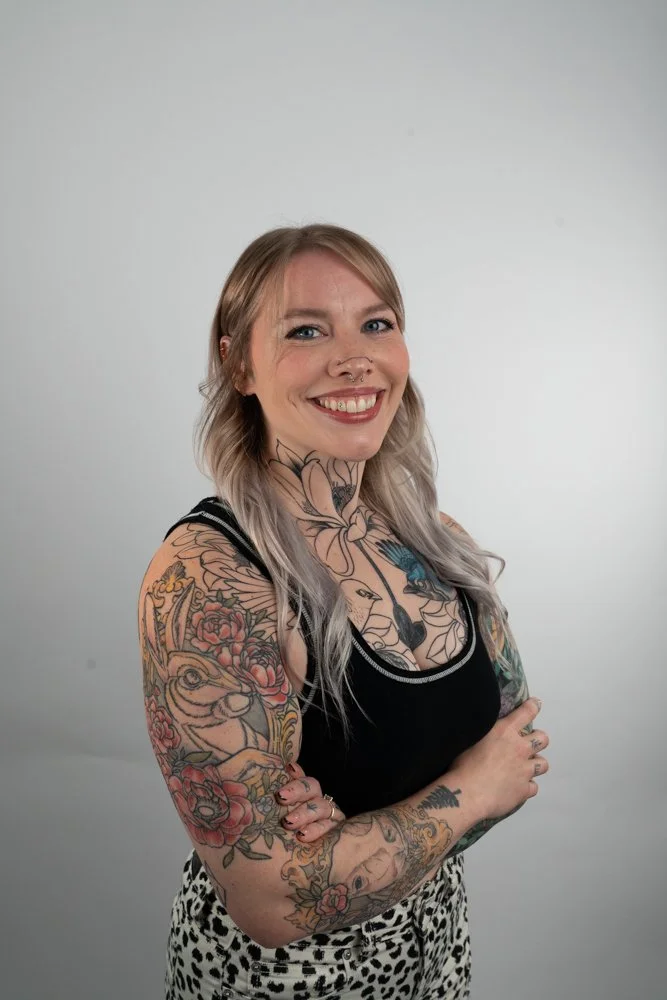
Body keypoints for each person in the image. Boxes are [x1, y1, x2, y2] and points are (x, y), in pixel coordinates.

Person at [138, 223, 550, 1000]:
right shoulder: (212, 577)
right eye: (304, 331)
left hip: (434, 953)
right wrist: (463, 791)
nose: (353, 357)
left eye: (376, 323)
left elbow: (516, 757)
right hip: (284, 984)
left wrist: (355, 844)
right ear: (238, 364)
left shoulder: (438, 544)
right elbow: (275, 903)